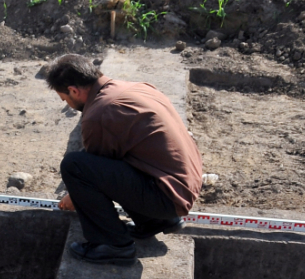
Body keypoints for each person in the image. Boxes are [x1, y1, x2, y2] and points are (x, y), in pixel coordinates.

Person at [45, 54, 203, 265]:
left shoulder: (99, 113)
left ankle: (112, 245)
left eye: (65, 99)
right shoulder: (137, 88)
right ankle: (154, 222)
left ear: (73, 90)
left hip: (167, 197)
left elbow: (91, 169)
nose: (68, 104)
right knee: (112, 159)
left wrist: (74, 195)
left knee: (74, 166)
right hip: (179, 186)